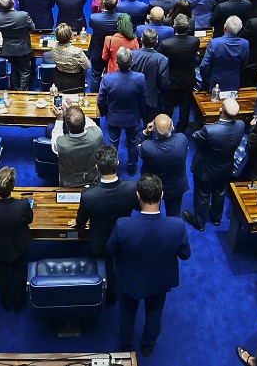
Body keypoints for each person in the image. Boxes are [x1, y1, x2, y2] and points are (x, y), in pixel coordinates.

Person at [107, 173, 190, 356]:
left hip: (129, 280)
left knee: (127, 313)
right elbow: (185, 255)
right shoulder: (177, 226)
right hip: (159, 280)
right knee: (154, 313)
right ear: (161, 195)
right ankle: (147, 346)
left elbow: (111, 249)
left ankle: (126, 346)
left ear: (138, 196)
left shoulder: (123, 225)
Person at [72, 146, 139, 303]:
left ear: (97, 167)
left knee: (106, 267)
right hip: (124, 238)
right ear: (117, 163)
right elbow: (137, 207)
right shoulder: (131, 188)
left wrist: (76, 222)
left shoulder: (89, 195)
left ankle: (108, 296)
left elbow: (81, 221)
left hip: (100, 242)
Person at [184, 98, 243, 230]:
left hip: (205, 169)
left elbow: (195, 137)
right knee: (220, 193)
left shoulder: (209, 130)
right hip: (225, 168)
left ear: (220, 109)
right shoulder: (240, 125)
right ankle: (216, 218)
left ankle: (200, 222)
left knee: (202, 195)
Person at [0, 166, 33, 311]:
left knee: (0, 276)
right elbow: (29, 220)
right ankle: (19, 303)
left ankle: (6, 303)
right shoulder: (23, 204)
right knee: (20, 274)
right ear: (12, 187)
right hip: (19, 247)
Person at [98, 47, 147, 175]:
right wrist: (141, 114)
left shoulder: (108, 78)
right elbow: (143, 100)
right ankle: (132, 168)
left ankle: (112, 169)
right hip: (133, 117)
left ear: (116, 62)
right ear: (131, 61)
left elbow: (100, 100)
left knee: (113, 145)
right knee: (133, 144)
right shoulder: (140, 78)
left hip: (113, 117)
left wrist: (105, 113)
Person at [137, 114, 189, 217]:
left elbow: (135, 144)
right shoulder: (182, 140)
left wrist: (145, 132)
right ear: (172, 128)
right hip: (176, 186)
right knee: (174, 216)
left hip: (153, 187)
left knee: (152, 216)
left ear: (154, 130)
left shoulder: (147, 147)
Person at [160, 15, 200, 132]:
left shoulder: (167, 43)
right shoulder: (195, 41)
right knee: (185, 104)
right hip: (188, 78)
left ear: (174, 26)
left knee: (169, 105)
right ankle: (182, 129)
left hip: (171, 79)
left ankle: (166, 128)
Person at [51, 103, 103, 186]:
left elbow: (55, 139)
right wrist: (75, 113)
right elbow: (90, 123)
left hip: (69, 181)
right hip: (91, 177)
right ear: (84, 121)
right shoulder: (97, 134)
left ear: (67, 126)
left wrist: (59, 119)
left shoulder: (61, 143)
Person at [0, 0, 35, 90]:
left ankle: (14, 89)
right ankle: (22, 91)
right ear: (13, 3)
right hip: (23, 48)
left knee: (14, 68)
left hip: (8, 49)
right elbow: (32, 28)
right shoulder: (23, 15)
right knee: (25, 71)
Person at [200, 15, 249, 93]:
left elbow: (204, 65)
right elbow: (244, 64)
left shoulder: (214, 43)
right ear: (240, 29)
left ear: (224, 27)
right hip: (234, 80)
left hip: (215, 80)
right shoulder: (245, 43)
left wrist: (206, 78)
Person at [131, 29, 170, 122]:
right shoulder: (162, 59)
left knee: (133, 126)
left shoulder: (132, 54)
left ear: (141, 39)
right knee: (149, 125)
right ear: (157, 41)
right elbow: (164, 82)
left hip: (134, 95)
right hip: (152, 97)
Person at [88, 0, 120, 89]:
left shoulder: (94, 18)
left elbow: (91, 26)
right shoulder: (120, 18)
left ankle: (94, 97)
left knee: (95, 76)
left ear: (103, 4)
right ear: (116, 5)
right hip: (113, 53)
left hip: (98, 51)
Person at [49, 22, 90, 93]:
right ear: (70, 36)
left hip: (58, 76)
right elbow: (87, 66)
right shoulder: (77, 52)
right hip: (75, 80)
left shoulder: (53, 47)